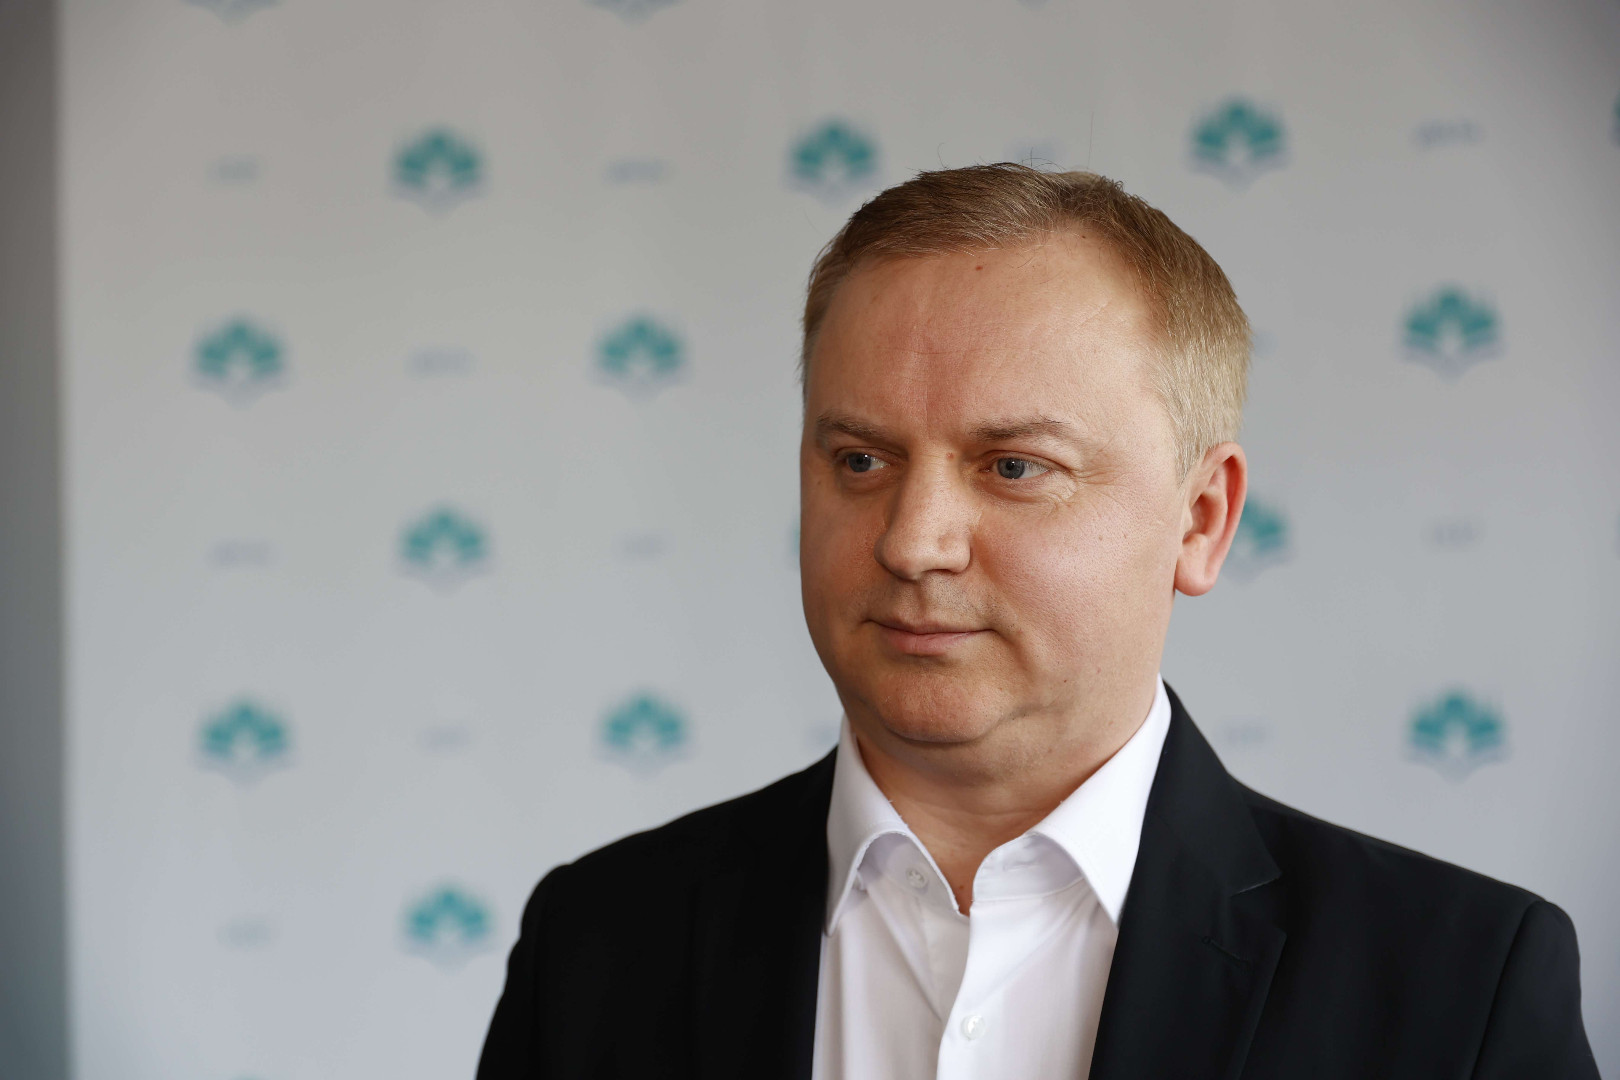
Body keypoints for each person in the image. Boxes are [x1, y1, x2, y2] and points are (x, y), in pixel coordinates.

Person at [476, 164, 1599, 1079]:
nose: (913, 541)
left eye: (1014, 466)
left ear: (1201, 520)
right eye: (860, 460)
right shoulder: (598, 942)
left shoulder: (1459, 987)